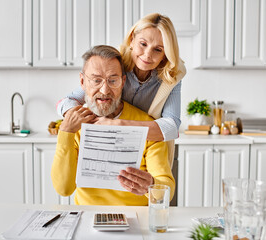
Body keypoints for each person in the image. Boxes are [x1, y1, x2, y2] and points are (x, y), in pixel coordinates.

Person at [56, 13, 186, 167]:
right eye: (143, 44)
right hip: (106, 145)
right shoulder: (115, 64)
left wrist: (116, 125)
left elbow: (171, 127)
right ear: (132, 39)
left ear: (165, 55)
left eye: (158, 49)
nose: (147, 55)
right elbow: (65, 102)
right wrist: (86, 119)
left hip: (148, 150)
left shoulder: (172, 75)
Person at [51, 45, 175, 206]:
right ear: (82, 82)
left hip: (136, 218)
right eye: (96, 80)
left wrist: (151, 185)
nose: (104, 90)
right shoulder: (74, 125)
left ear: (123, 82)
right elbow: (63, 189)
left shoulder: (147, 125)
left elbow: (167, 190)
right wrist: (66, 131)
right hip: (87, 216)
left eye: (113, 80)